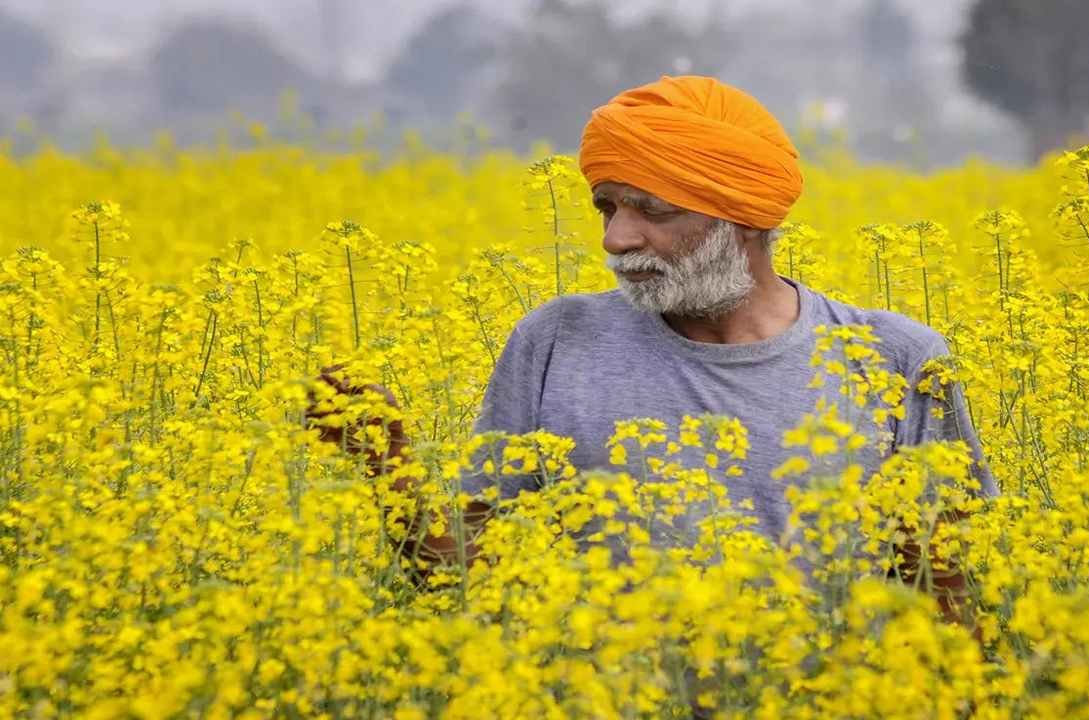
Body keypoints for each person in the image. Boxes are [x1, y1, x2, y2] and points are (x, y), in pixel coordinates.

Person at [311, 75, 998, 624]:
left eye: (654, 210)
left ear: (747, 217)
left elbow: (947, 600)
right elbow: (457, 577)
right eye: (607, 208)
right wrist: (385, 464)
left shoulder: (897, 359)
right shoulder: (554, 342)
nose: (616, 239)